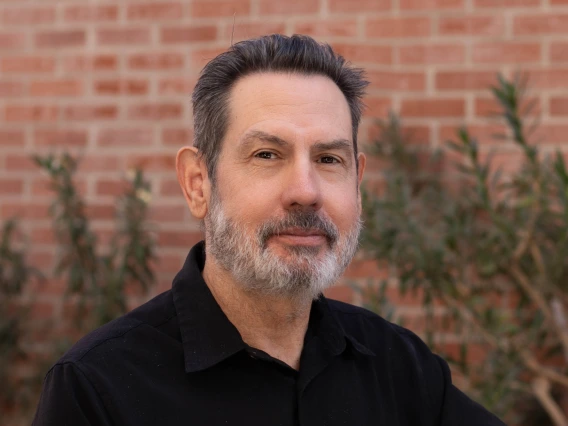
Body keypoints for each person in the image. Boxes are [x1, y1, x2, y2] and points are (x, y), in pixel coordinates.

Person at [33, 34, 505, 426]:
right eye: (267, 155)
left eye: (328, 159)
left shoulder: (401, 370)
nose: (305, 190)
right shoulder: (99, 389)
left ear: (358, 182)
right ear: (198, 183)